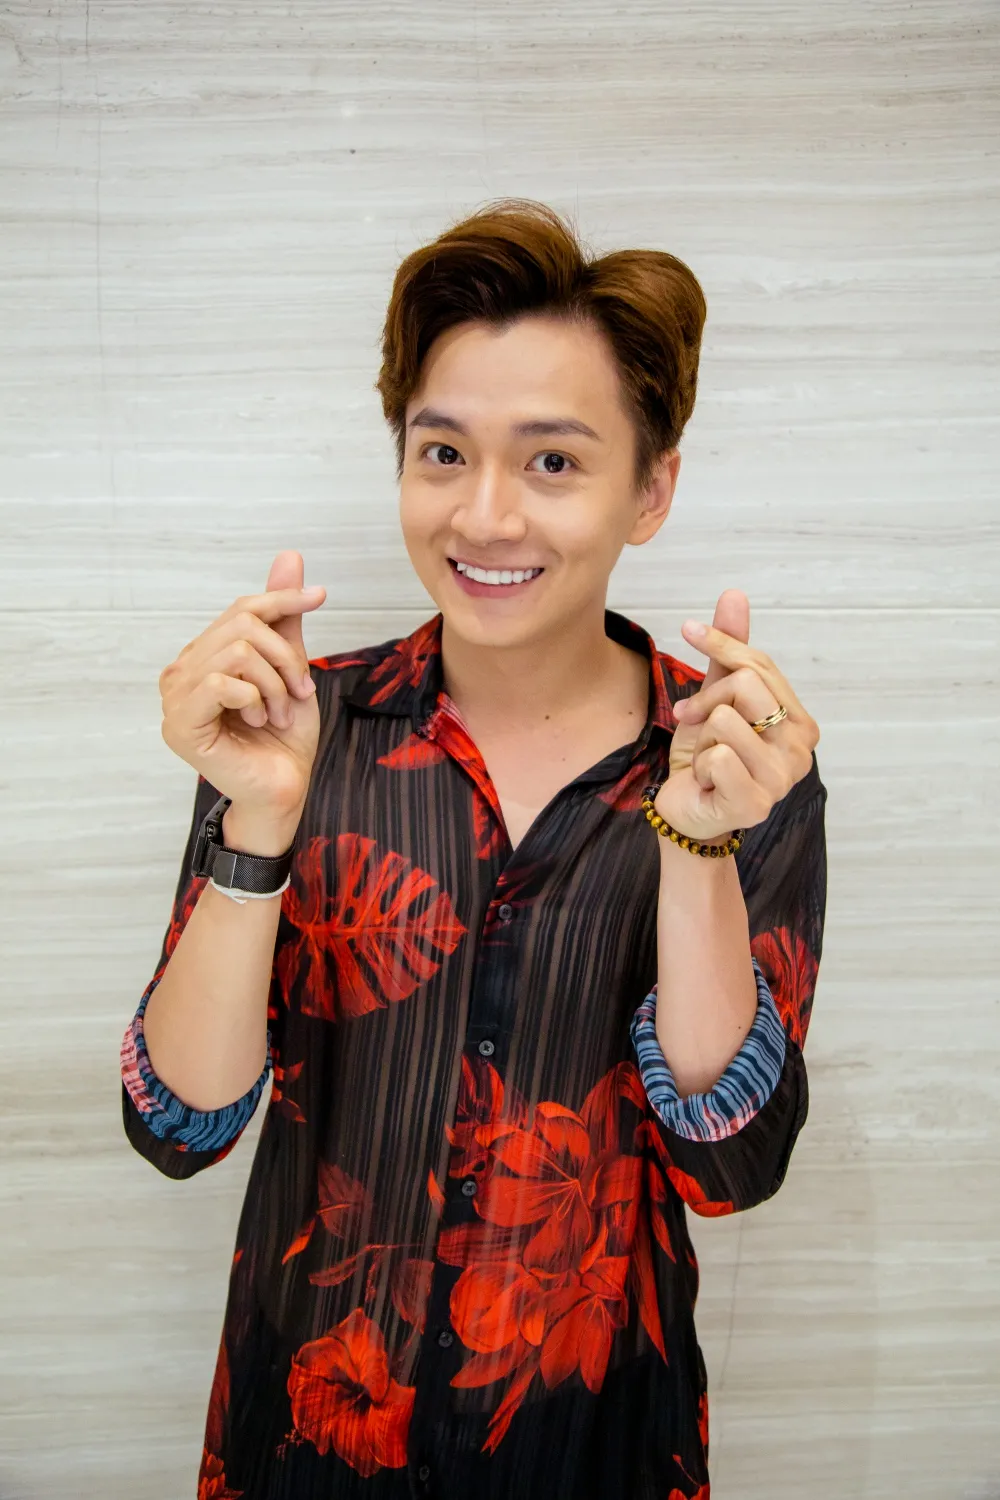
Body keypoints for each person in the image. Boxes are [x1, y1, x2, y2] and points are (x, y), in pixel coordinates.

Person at [121, 197, 827, 1500]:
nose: (486, 515)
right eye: (443, 452)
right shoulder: (298, 729)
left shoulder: (736, 759)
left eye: (553, 461)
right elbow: (177, 1125)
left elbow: (730, 1166)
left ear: (652, 489)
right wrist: (258, 822)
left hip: (595, 1444)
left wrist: (696, 846)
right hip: (306, 1438)